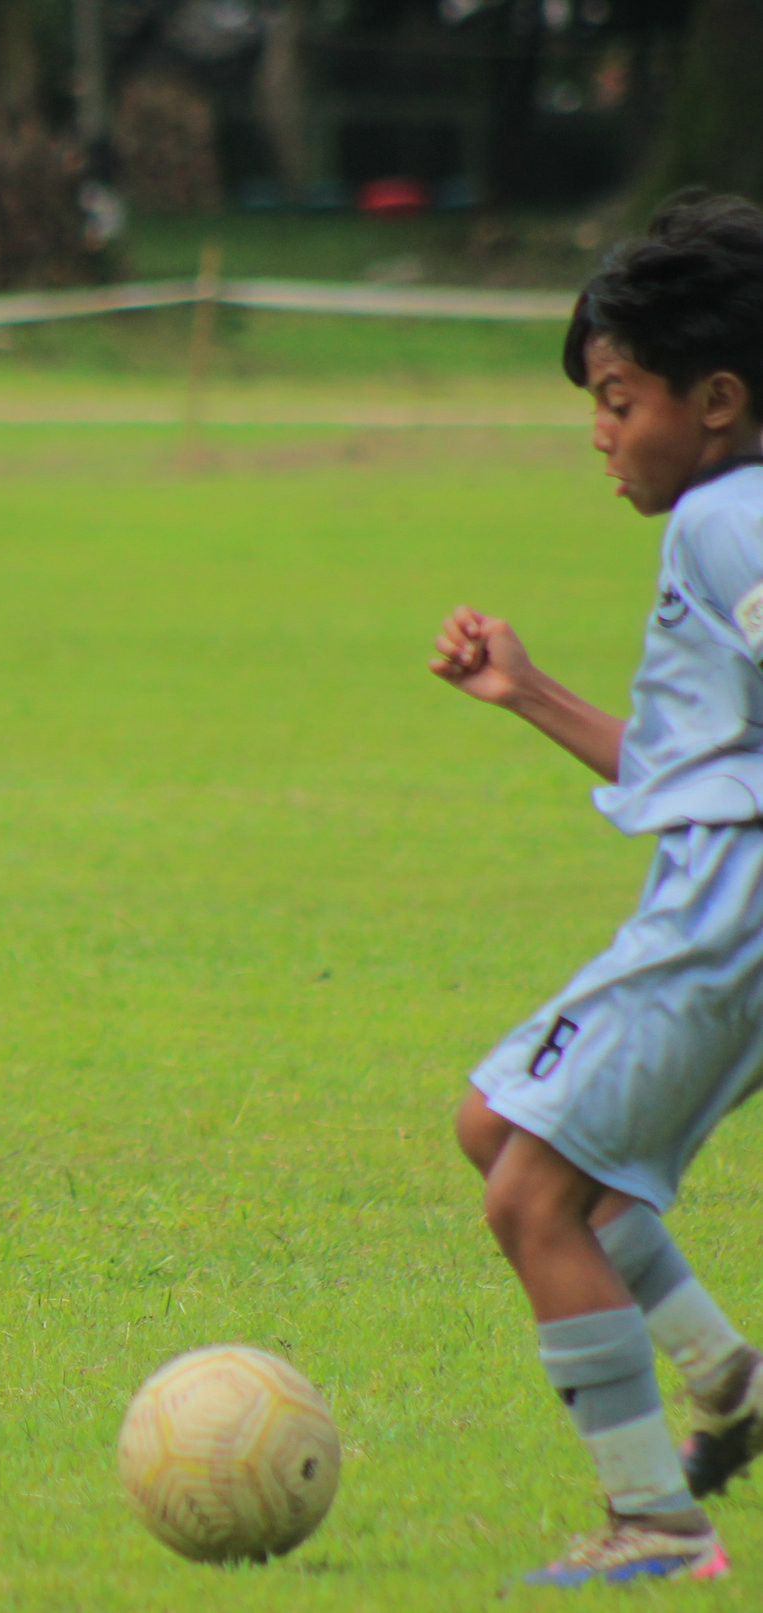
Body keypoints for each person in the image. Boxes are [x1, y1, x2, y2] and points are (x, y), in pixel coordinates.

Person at [433, 194, 763, 1587]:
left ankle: (655, 1524)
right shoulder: (728, 512)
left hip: (722, 922)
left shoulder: (725, 527)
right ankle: (722, 1377)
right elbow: (698, 762)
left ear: (715, 398)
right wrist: (528, 693)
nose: (597, 430)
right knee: (489, 1121)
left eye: (616, 397)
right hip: (705, 897)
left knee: (530, 1204)